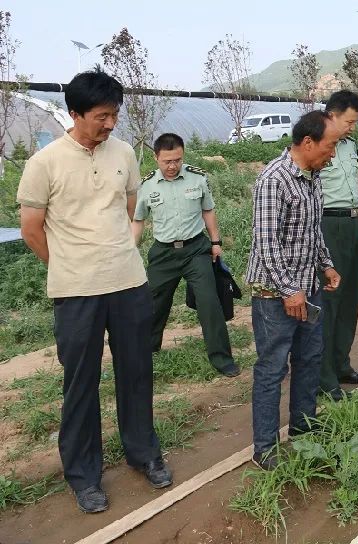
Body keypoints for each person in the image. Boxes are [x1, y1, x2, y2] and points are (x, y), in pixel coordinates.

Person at [16, 69, 171, 513]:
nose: (110, 123)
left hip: (129, 283)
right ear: (75, 113)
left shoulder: (124, 152)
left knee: (137, 373)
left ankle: (144, 453)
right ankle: (84, 476)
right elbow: (31, 229)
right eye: (102, 116)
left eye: (114, 114)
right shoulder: (45, 162)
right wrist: (69, 266)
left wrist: (114, 252)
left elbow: (128, 208)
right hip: (77, 292)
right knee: (81, 383)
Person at [245, 110, 341, 470]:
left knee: (309, 358)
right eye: (330, 146)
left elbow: (312, 230)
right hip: (274, 295)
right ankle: (265, 448)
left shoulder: (313, 177)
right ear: (308, 142)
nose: (333, 153)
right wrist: (289, 290)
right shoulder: (274, 179)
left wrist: (326, 264)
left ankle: (303, 427)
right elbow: (267, 244)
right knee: (272, 368)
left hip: (307, 288)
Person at [131, 133, 240, 378]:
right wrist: (131, 251)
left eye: (177, 160)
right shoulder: (146, 185)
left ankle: (222, 359)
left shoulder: (197, 177)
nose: (172, 166)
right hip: (163, 253)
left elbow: (208, 210)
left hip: (196, 250)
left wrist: (215, 242)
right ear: (156, 158)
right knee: (153, 303)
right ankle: (147, 349)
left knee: (209, 302)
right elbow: (138, 221)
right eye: (167, 161)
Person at [317, 91, 358, 401]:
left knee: (350, 299)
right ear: (332, 116)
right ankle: (324, 377)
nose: (353, 127)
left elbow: (352, 188)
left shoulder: (350, 146)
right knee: (330, 301)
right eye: (349, 122)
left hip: (351, 223)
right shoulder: (316, 145)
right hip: (327, 225)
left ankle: (341, 365)